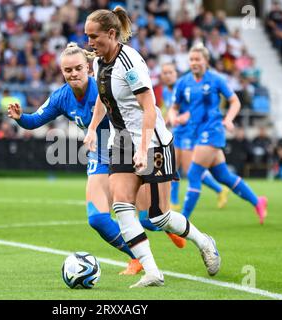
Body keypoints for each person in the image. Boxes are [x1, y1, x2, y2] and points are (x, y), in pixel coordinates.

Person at [8, 42, 182, 276]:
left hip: (126, 149)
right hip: (100, 156)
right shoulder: (61, 97)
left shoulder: (104, 87)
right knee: (97, 219)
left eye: (78, 68)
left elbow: (140, 108)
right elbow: (35, 120)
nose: (73, 74)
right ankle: (137, 258)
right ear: (62, 72)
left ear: (88, 68)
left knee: (149, 217)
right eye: (68, 70)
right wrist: (20, 118)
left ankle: (171, 226)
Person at [84, 7, 221, 288]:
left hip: (153, 142)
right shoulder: (98, 62)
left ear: (111, 34)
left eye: (94, 36)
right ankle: (152, 272)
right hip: (120, 142)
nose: (89, 42)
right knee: (122, 207)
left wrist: (142, 147)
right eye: (87, 36)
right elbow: (103, 97)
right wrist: (91, 128)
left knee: (158, 216)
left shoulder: (130, 62)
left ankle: (204, 241)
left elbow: (149, 108)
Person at [174, 43, 268, 224]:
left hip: (212, 131)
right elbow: (175, 107)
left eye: (197, 59)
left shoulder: (216, 79)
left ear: (206, 61)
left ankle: (182, 222)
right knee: (222, 176)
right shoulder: (184, 82)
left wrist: (229, 119)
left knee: (193, 174)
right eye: (191, 59)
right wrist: (175, 117)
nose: (194, 62)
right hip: (195, 132)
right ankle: (258, 201)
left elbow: (235, 101)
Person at [161, 62, 229, 212]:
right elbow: (171, 110)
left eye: (170, 72)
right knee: (172, 166)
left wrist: (185, 116)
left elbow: (196, 107)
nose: (167, 76)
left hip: (190, 132)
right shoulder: (165, 92)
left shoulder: (184, 85)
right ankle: (173, 201)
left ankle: (219, 189)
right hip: (177, 132)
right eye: (164, 73)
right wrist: (166, 121)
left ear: (175, 73)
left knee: (188, 168)